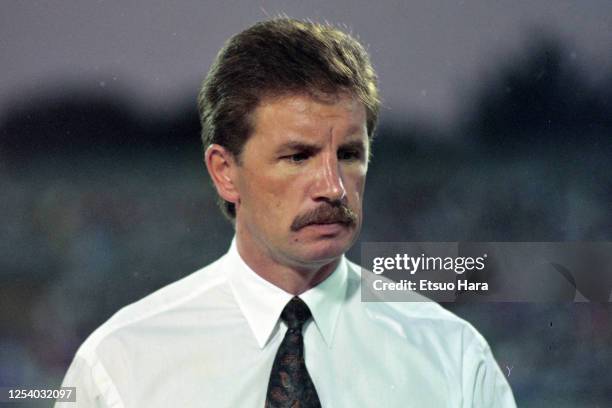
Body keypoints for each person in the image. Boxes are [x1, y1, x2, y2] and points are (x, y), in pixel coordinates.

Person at [57, 18, 516, 407]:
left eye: (351, 154)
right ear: (224, 172)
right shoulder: (120, 365)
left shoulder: (453, 358)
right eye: (299, 156)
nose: (334, 187)